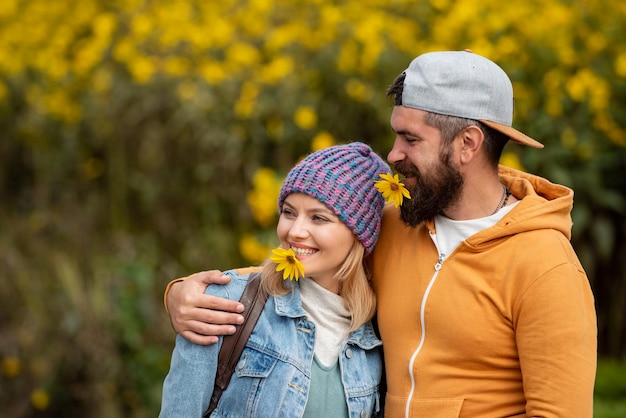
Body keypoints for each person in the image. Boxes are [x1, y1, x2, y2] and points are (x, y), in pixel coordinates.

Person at [164, 51, 597, 417]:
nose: (394, 154)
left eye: (410, 139)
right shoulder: (395, 222)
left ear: (467, 144)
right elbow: (306, 259)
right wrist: (185, 293)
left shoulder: (546, 266)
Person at [160, 142, 390, 417]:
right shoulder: (223, 305)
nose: (295, 231)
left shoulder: (377, 337)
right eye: (289, 212)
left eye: (318, 218)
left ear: (359, 235)